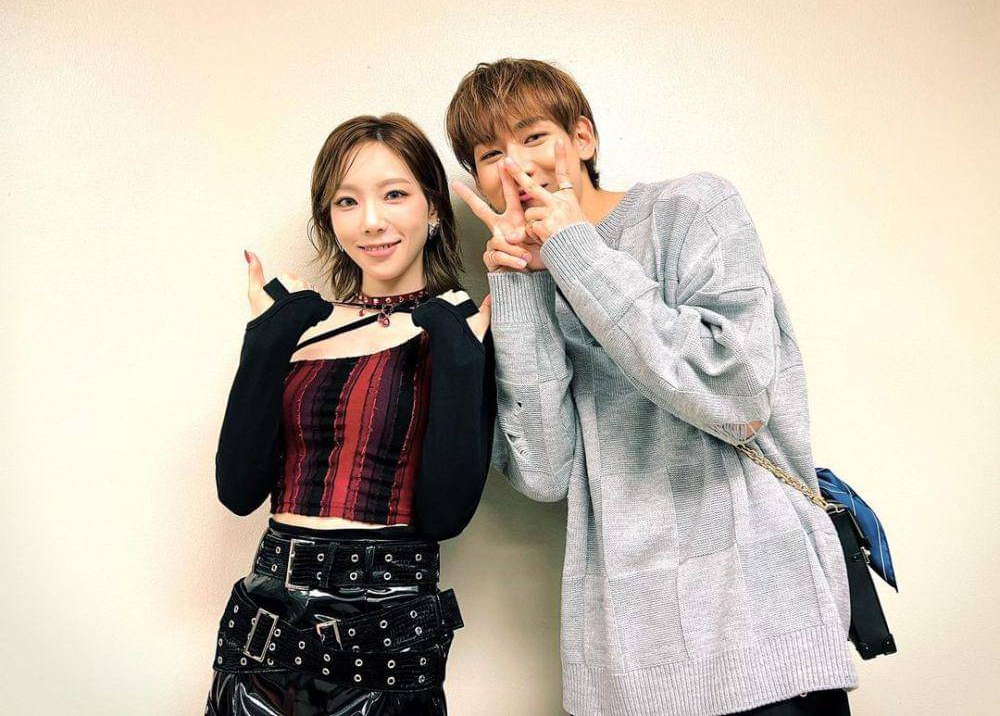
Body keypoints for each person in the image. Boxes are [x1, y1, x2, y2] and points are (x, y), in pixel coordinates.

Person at [446, 59, 858, 716]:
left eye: (533, 136)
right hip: (630, 652)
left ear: (583, 137)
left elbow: (736, 393)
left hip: (764, 627)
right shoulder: (528, 273)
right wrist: (520, 285)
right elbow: (544, 472)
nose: (516, 166)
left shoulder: (693, 207)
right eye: (490, 153)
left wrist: (576, 252)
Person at [206, 113, 495, 716]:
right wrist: (268, 335)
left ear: (433, 206)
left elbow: (446, 514)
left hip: (387, 633)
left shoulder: (458, 327)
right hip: (263, 628)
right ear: (329, 218)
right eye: (346, 201)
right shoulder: (301, 325)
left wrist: (458, 350)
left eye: (394, 194)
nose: (370, 222)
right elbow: (238, 490)